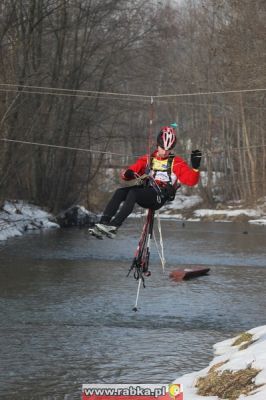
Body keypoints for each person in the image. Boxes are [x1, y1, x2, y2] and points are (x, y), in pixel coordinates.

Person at [89, 126, 201, 239]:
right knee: (120, 192)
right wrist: (128, 174)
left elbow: (192, 181)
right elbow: (129, 172)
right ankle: (103, 224)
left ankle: (114, 226)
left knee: (133, 192)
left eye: (169, 149)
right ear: (158, 145)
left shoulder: (177, 162)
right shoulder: (148, 159)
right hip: (145, 192)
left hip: (159, 197)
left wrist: (195, 168)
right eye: (163, 148)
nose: (165, 152)